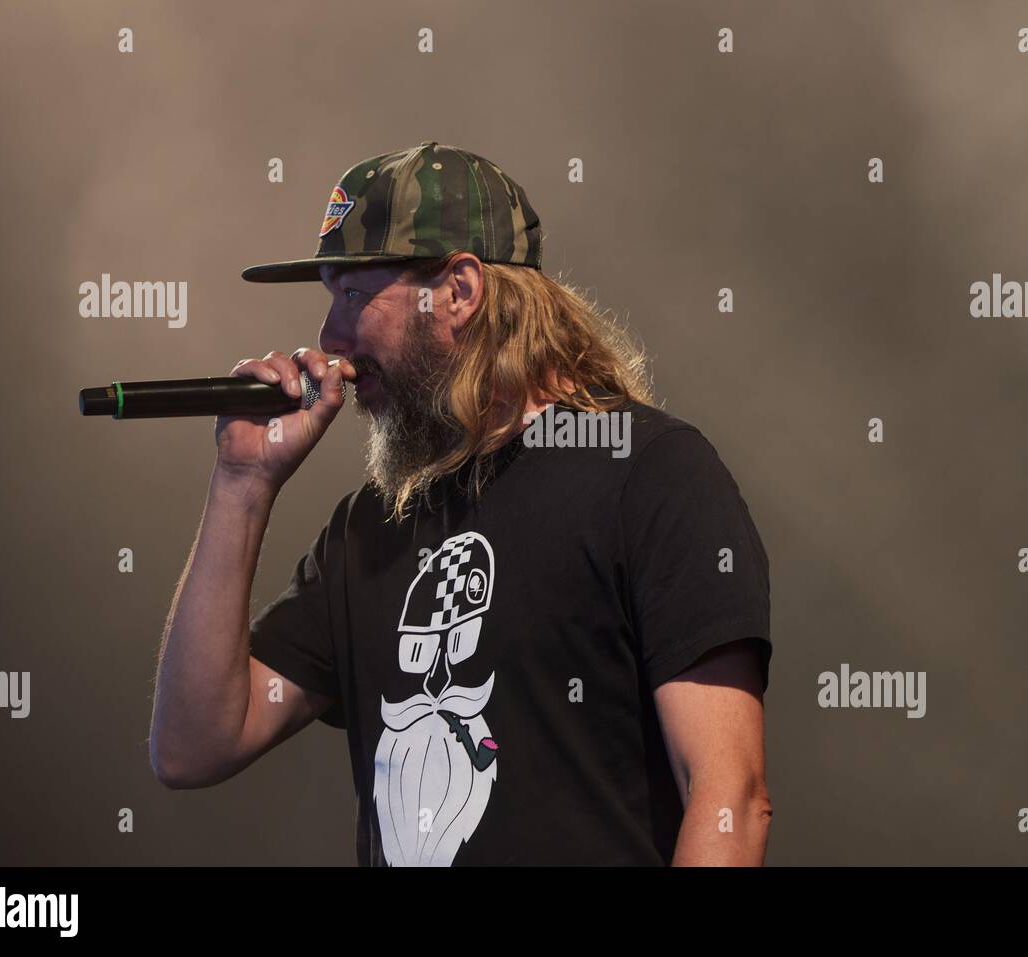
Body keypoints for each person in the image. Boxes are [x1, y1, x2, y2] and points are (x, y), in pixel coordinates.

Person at [149, 141, 773, 866]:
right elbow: (193, 747)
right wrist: (241, 485)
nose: (328, 338)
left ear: (459, 291)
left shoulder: (649, 472)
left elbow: (731, 793)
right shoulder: (369, 530)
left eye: (353, 295)